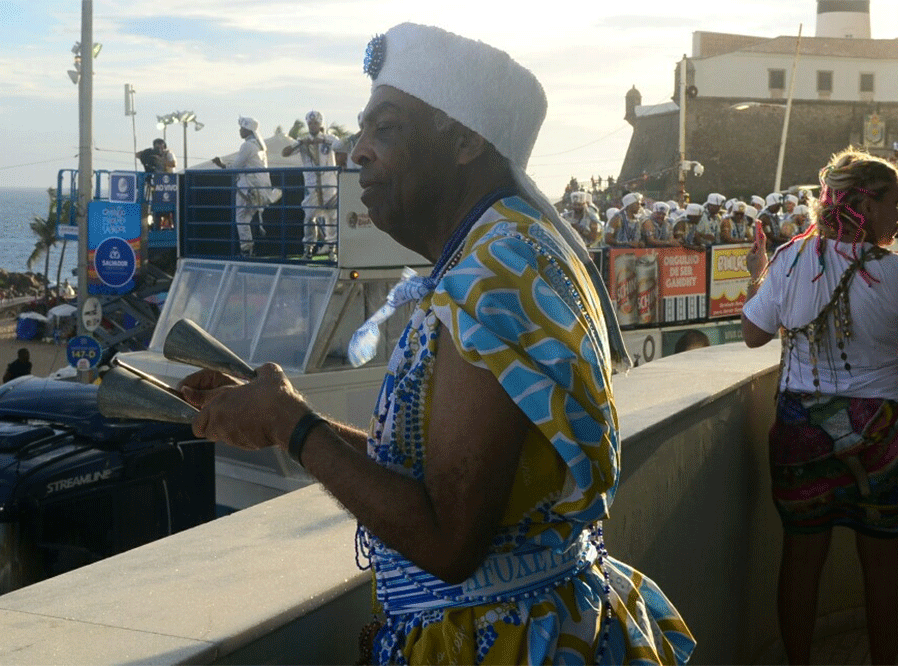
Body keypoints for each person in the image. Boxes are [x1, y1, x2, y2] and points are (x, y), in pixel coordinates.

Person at [179, 22, 693, 665]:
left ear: (466, 140)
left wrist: (289, 424)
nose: (355, 152)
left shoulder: (495, 275)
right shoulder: (505, 251)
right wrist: (276, 416)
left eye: (385, 128)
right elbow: (448, 470)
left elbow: (449, 539)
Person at [741, 147, 898, 665]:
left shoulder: (789, 259)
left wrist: (758, 275)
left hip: (800, 429)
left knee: (801, 559)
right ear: (866, 205)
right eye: (895, 203)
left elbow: (752, 335)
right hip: (883, 432)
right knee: (882, 563)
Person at [212, 117, 281, 256]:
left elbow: (236, 166)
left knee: (241, 219)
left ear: (247, 129)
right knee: (246, 218)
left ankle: (246, 249)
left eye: (242, 128)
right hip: (259, 188)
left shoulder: (247, 146)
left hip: (249, 187)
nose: (240, 130)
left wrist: (222, 165)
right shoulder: (258, 145)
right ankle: (248, 248)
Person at [282, 110, 343, 259]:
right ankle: (308, 249)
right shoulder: (302, 141)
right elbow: (285, 152)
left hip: (329, 184)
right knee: (309, 218)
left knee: (332, 218)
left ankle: (331, 249)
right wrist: (301, 142)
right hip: (312, 186)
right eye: (310, 123)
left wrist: (322, 141)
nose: (312, 126)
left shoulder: (329, 138)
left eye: (315, 123)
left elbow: (341, 145)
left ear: (320, 124)